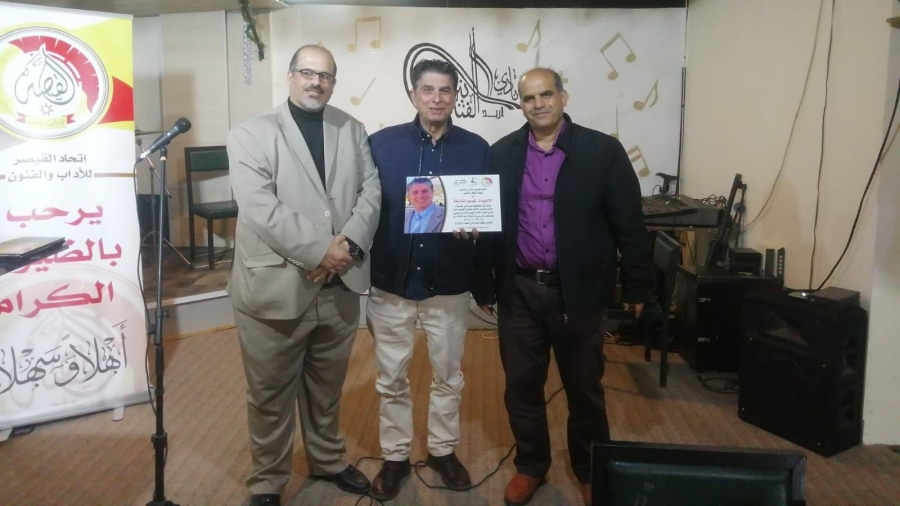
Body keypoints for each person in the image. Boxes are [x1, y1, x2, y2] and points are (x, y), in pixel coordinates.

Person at [480, 68, 652, 506]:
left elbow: (630, 223)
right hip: (520, 291)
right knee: (521, 388)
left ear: (563, 97)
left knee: (585, 389)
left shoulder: (603, 152)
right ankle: (531, 466)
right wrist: (483, 283)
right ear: (520, 104)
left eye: (546, 94)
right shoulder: (502, 153)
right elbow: (488, 224)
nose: (538, 104)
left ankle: (591, 469)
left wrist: (637, 285)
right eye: (528, 98)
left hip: (580, 293)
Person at [226, 44, 381, 506]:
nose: (316, 82)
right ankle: (267, 481)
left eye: (325, 76)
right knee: (269, 395)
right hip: (276, 288)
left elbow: (371, 191)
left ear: (333, 83)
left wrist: (349, 245)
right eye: (308, 73)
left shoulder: (351, 129)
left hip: (340, 287)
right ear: (290, 76)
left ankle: (327, 460)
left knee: (326, 389)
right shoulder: (251, 133)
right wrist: (321, 250)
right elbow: (260, 208)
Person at [365, 58, 494, 501]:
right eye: (427, 90)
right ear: (413, 94)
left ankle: (442, 451)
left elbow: (484, 211)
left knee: (449, 377)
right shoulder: (381, 145)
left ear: (456, 96)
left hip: (449, 284)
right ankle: (395, 456)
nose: (436, 99)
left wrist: (476, 226)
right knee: (390, 378)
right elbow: (364, 208)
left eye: (445, 90)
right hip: (391, 283)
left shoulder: (477, 148)